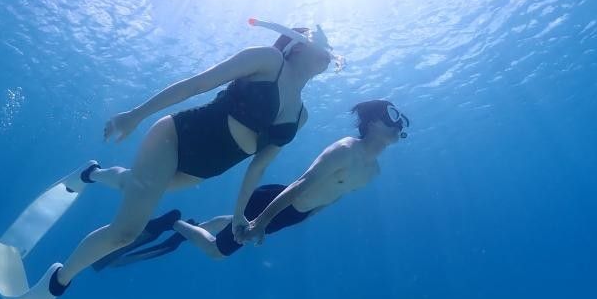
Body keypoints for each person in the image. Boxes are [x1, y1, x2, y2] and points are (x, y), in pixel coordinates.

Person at [20, 20, 339, 299]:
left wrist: (240, 214)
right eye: (322, 48)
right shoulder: (268, 60)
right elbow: (196, 86)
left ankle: (91, 173)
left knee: (134, 183)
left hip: (199, 171)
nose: (328, 56)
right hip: (175, 139)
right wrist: (135, 115)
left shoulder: (301, 116)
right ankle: (55, 282)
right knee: (125, 233)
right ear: (298, 45)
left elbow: (257, 167)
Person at [92, 100, 408, 268]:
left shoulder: (373, 172)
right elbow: (299, 185)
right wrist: (259, 222)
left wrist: (303, 219)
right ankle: (175, 224)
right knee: (218, 252)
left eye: (401, 121)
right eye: (392, 116)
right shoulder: (345, 150)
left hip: (290, 215)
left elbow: (334, 196)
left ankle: (197, 224)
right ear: (374, 122)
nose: (398, 125)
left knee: (232, 224)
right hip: (275, 202)